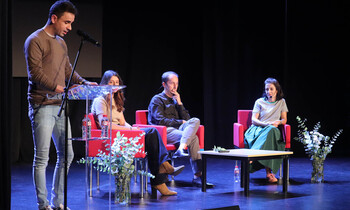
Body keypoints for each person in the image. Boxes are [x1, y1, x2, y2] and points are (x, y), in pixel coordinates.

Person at [24, 1, 98, 209]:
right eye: (67, 22)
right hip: (43, 105)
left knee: (68, 154)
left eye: (72, 23)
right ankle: (43, 204)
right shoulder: (35, 40)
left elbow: (67, 70)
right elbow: (35, 74)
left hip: (60, 106)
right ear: (54, 18)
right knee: (42, 158)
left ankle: (58, 202)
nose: (70, 28)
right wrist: (59, 88)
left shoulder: (62, 43)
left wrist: (83, 83)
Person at [91, 70, 185, 196]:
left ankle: (162, 173)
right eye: (111, 82)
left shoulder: (116, 99)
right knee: (151, 132)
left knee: (152, 135)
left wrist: (135, 129)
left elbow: (123, 122)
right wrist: (131, 130)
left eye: (117, 82)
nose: (114, 85)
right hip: (111, 136)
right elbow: (106, 126)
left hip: (122, 133)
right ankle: (163, 171)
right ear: (104, 84)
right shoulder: (100, 100)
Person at [148, 71, 213, 188]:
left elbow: (188, 120)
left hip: (179, 130)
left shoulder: (175, 99)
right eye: (172, 83)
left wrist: (179, 103)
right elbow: (159, 120)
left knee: (195, 120)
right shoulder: (157, 100)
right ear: (164, 84)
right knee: (193, 138)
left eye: (176, 83)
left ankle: (181, 147)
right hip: (164, 131)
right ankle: (198, 176)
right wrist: (180, 122)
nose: (175, 86)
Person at [244, 77, 288, 183]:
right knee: (270, 133)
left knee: (271, 131)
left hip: (273, 130)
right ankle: (269, 173)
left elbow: (284, 119)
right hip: (258, 129)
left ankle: (252, 156)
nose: (269, 92)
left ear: (277, 90)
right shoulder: (259, 101)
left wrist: (279, 122)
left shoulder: (281, 102)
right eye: (267, 89)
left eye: (271, 89)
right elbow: (253, 120)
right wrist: (265, 124)